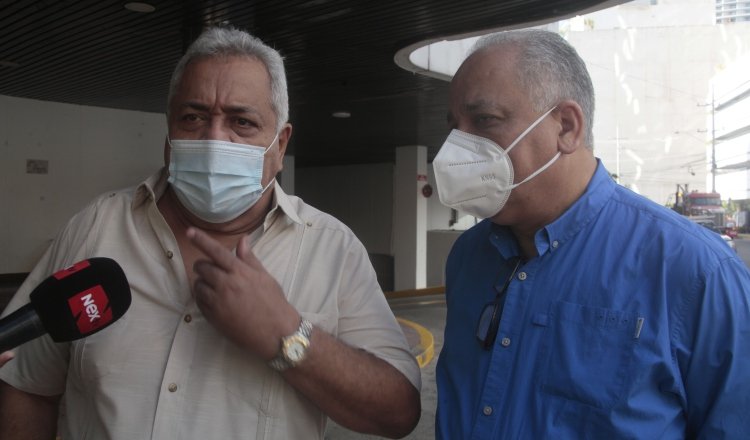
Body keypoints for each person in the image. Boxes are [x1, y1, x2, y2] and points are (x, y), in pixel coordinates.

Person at [0, 26, 420, 439]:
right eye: (193, 117)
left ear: (280, 144)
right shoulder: (96, 228)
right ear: (169, 133)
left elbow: (397, 411)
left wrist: (288, 336)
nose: (215, 138)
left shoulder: (332, 249)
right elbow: (27, 383)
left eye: (241, 122)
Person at [433, 29, 750, 439]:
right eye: (455, 127)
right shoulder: (467, 258)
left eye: (485, 121)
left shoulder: (697, 272)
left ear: (566, 126)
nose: (458, 147)